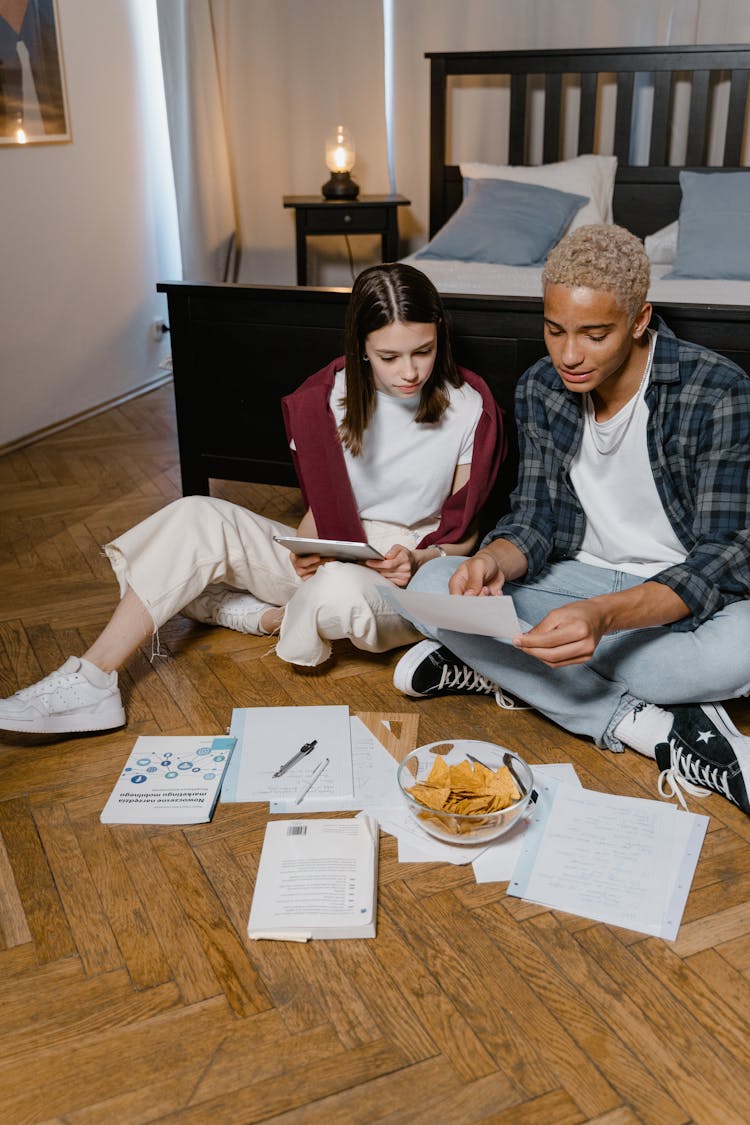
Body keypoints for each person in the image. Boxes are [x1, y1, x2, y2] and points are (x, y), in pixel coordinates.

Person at [0, 262, 504, 735]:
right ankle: (93, 679)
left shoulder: (467, 409)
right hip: (340, 548)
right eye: (388, 357)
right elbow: (321, 511)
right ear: (360, 346)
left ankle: (252, 614)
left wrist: (418, 558)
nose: (410, 372)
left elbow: (463, 537)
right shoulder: (327, 398)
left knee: (336, 594)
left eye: (423, 350)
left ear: (439, 335)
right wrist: (306, 547)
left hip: (406, 574)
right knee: (195, 516)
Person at [392, 224, 750, 815]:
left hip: (676, 594)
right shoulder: (542, 386)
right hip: (575, 578)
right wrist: (491, 561)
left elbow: (724, 557)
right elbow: (536, 519)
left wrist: (604, 617)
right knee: (431, 584)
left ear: (640, 320)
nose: (569, 355)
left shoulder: (717, 391)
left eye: (594, 333)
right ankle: (643, 726)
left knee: (727, 655)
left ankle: (503, 671)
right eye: (554, 330)